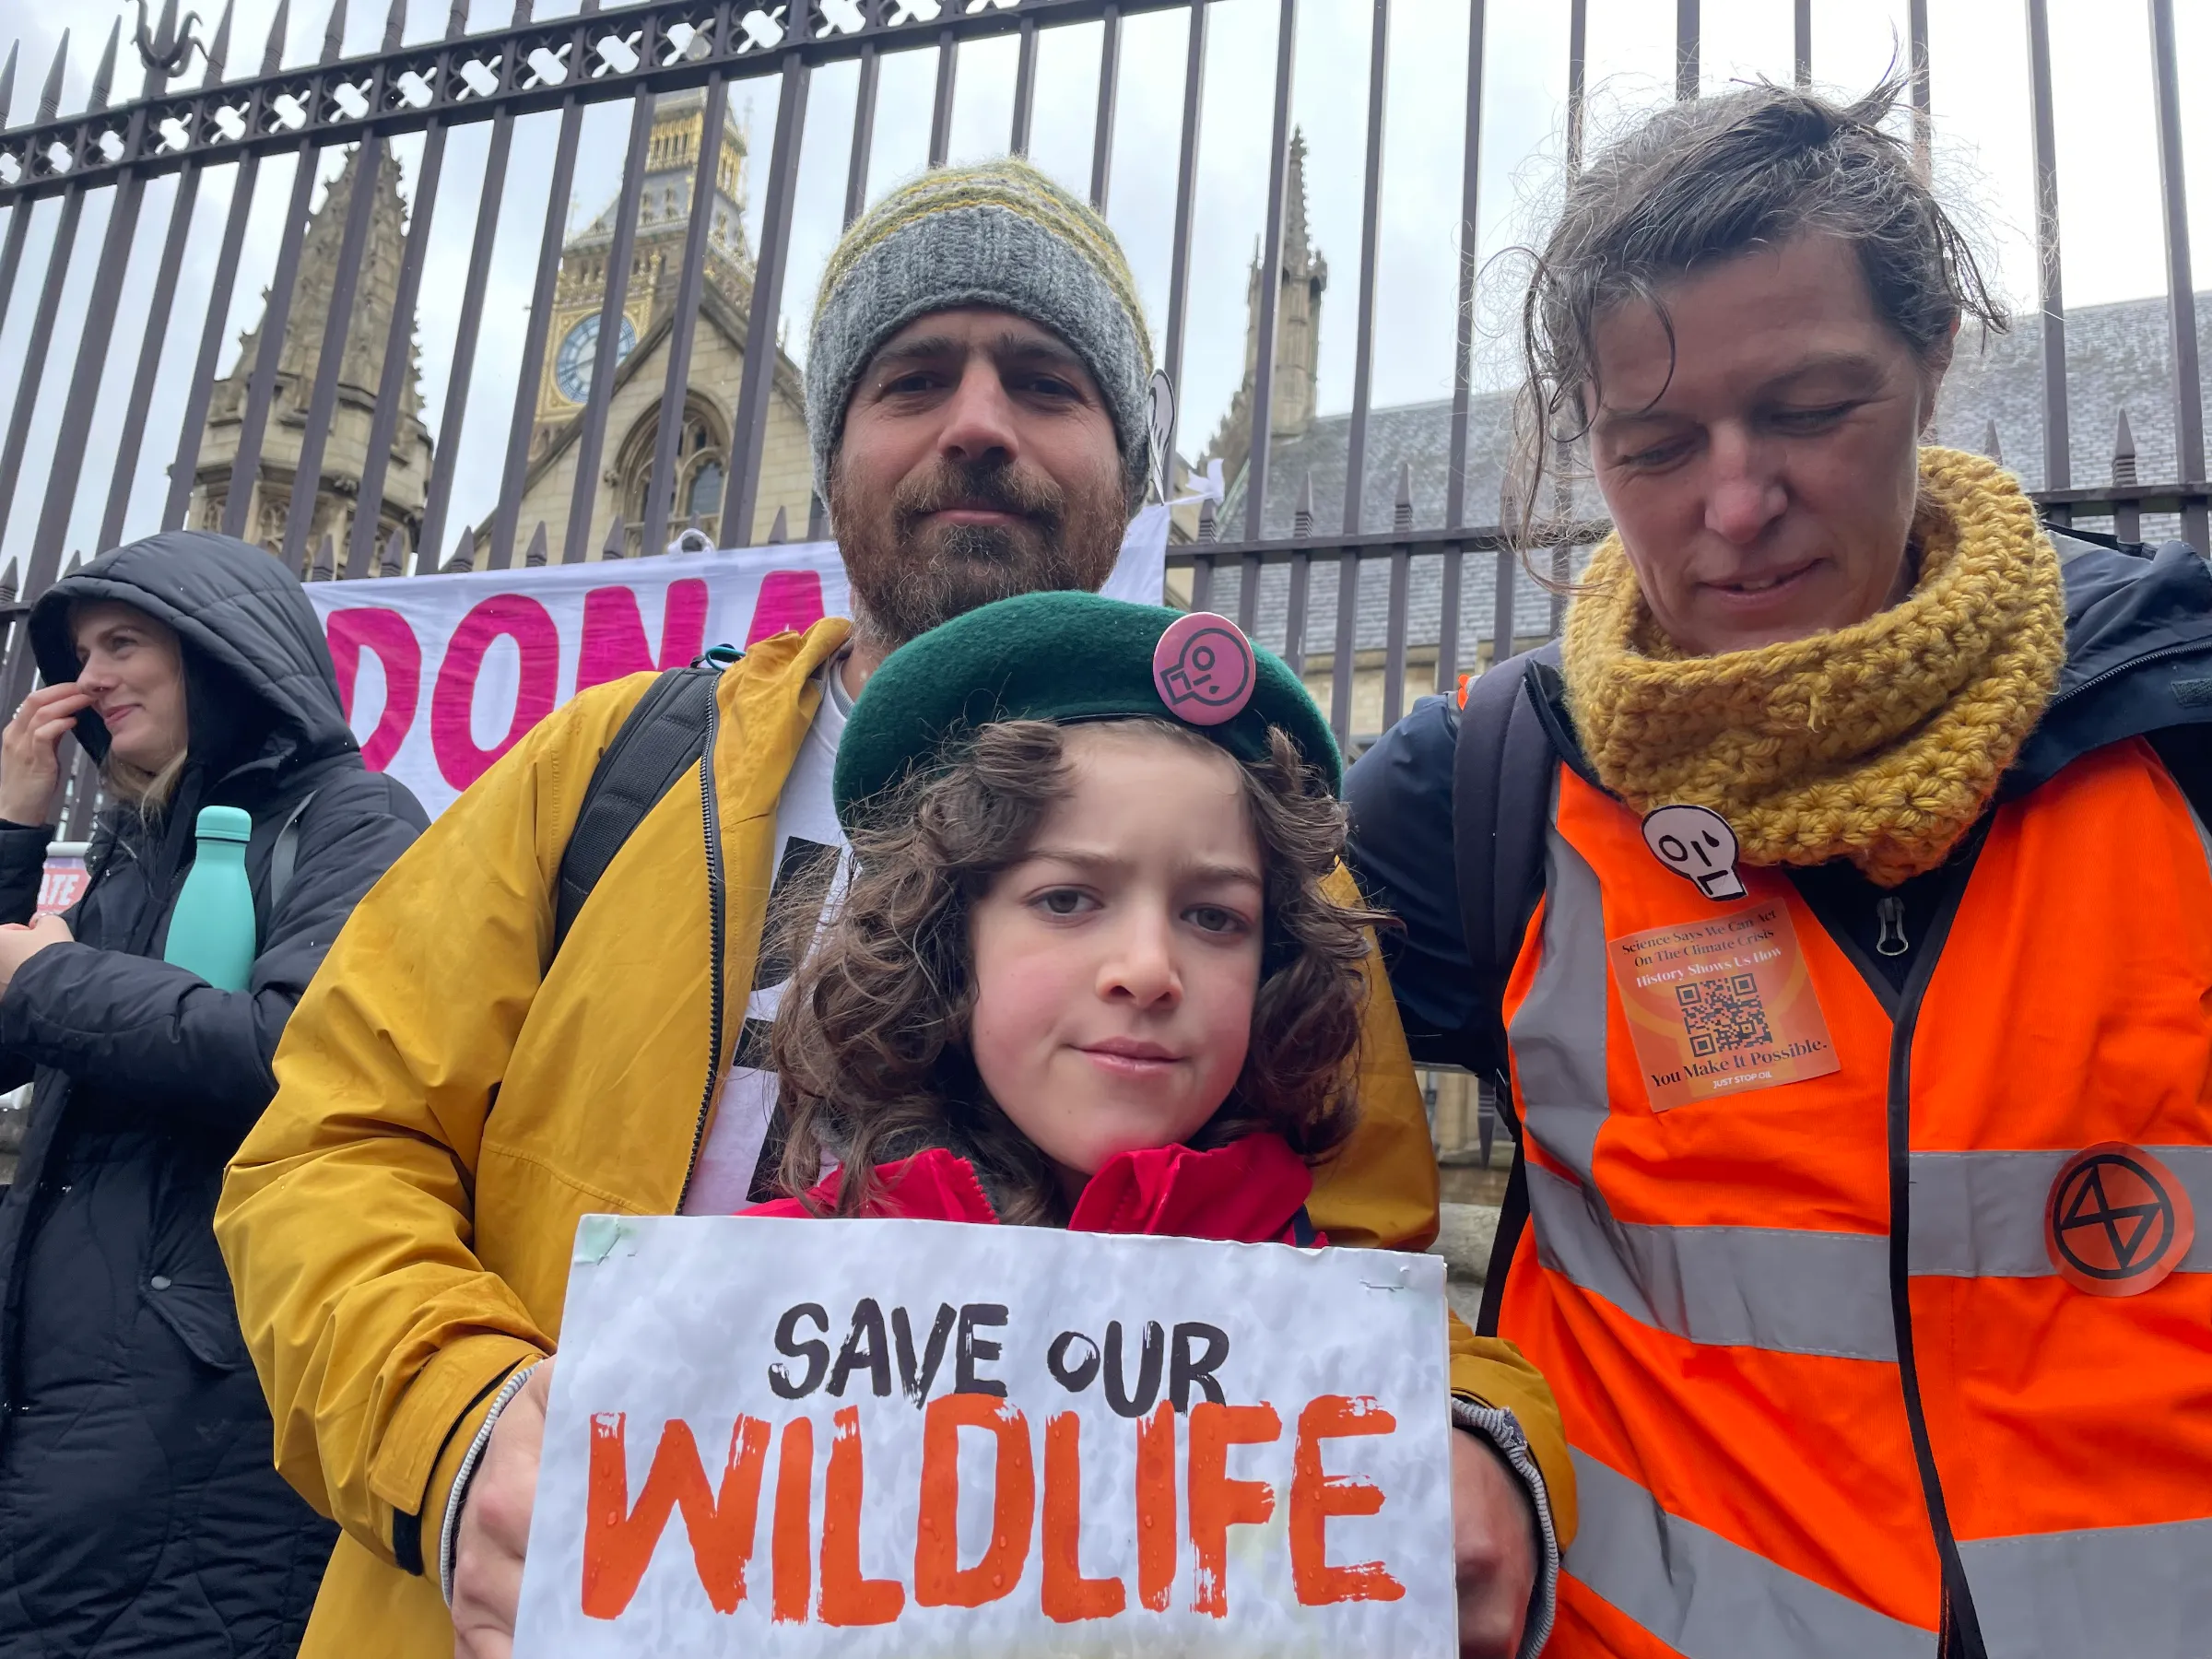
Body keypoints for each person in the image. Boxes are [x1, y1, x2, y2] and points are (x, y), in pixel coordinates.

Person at [216, 158, 1570, 1659]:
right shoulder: (598, 776)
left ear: (1127, 460)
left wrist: (1475, 1446)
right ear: (838, 437)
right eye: (916, 377)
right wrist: (457, 1425)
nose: (978, 423)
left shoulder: (1254, 849)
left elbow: (1365, 1279)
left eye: (1043, 382)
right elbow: (326, 1152)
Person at [1346, 78, 2212, 1659]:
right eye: (1657, 443)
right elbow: (1208, 1137)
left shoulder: (2177, 724)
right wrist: (1451, 1411)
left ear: (1934, 356)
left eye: (1811, 410)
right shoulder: (1485, 794)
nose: (1733, 509)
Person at [0, 531, 426, 1655]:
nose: (88, 681)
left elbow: (296, 1054)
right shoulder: (142, 846)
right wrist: (15, 834)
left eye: (125, 643)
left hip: (205, 1409)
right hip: (68, 1393)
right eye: (80, 653)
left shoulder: (355, 820)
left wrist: (49, 976)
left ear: (222, 655)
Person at [750, 591, 1376, 1240]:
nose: (1148, 970)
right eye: (1066, 900)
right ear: (943, 944)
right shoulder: (760, 1290)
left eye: (1214, 918)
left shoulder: (1336, 1311)